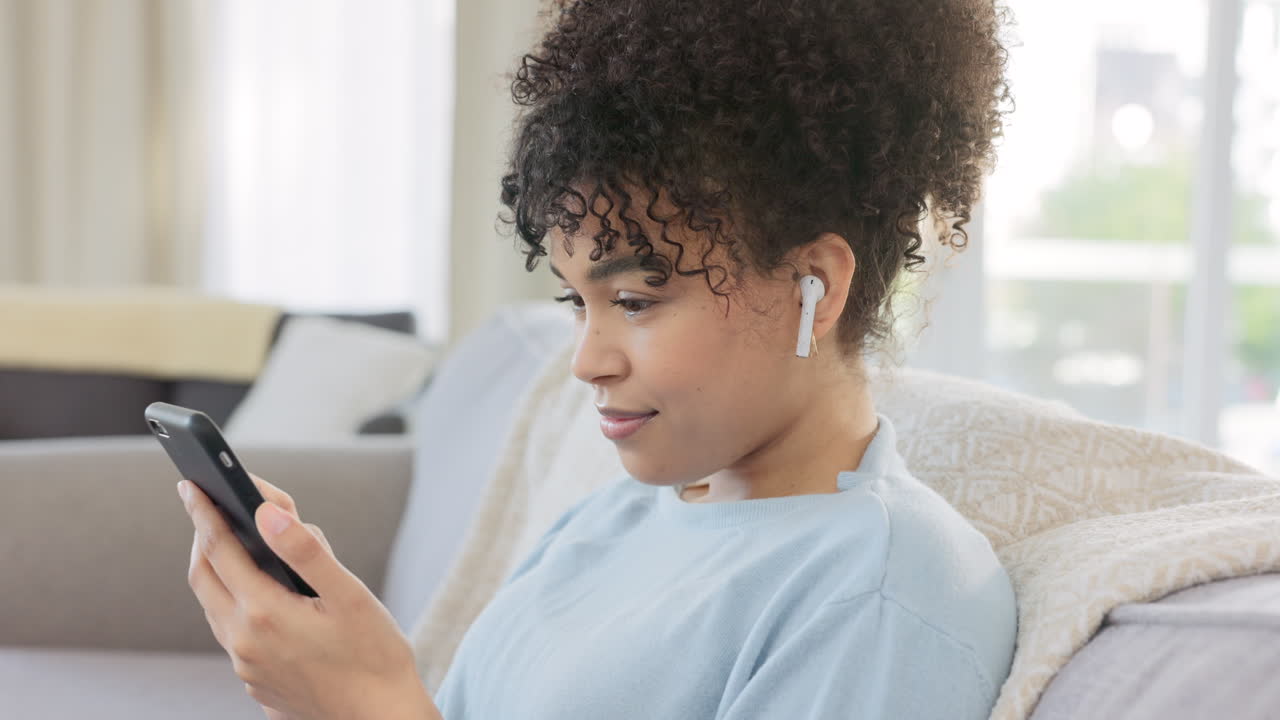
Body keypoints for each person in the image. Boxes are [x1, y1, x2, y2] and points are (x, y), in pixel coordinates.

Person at [176, 1, 1018, 718]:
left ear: (815, 285)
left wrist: (371, 704)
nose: (585, 362)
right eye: (577, 303)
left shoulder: (881, 593)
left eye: (636, 301)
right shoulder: (614, 519)